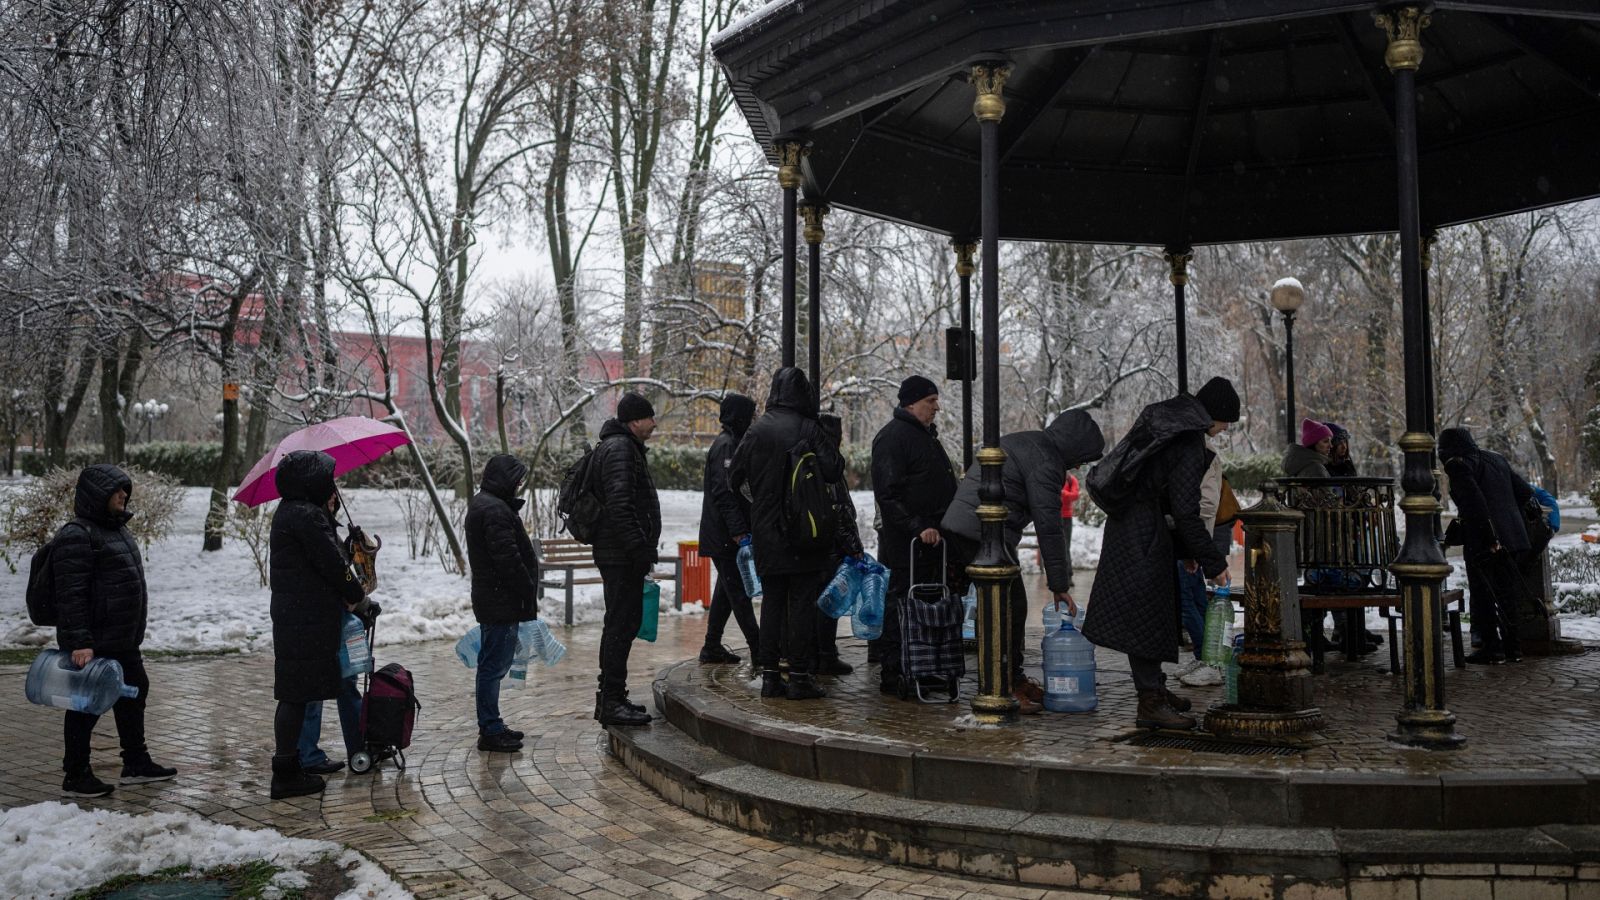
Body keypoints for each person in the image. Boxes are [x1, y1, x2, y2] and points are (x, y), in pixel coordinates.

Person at [1081, 376, 1237, 730]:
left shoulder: (1171, 428)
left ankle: (1155, 690)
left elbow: (1168, 497)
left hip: (1133, 527)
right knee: (1147, 619)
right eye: (1228, 420)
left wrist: (1185, 551)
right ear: (1216, 414)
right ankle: (1149, 703)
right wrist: (1213, 562)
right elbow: (1185, 510)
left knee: (1150, 616)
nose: (1226, 428)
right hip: (1145, 535)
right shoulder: (1186, 442)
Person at [942, 410, 1105, 713]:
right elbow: (1049, 525)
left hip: (976, 529)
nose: (1081, 465)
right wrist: (1058, 584)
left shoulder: (1032, 443)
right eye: (1083, 457)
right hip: (981, 531)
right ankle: (1004, 684)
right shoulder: (1046, 462)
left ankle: (1011, 677)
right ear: (1073, 446)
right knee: (1009, 608)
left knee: (1006, 607)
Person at [52, 464, 176, 797]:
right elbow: (70, 594)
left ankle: (136, 762)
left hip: (122, 639)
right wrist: (80, 642)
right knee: (86, 705)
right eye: (117, 491)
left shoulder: (116, 529)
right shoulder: (77, 535)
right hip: (95, 641)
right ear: (98, 495)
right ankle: (75, 774)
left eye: (125, 490)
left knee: (134, 694)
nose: (124, 495)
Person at [730, 367, 845, 700]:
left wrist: (760, 503)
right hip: (804, 531)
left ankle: (770, 677)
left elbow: (734, 478)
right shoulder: (808, 427)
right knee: (801, 605)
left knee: (772, 603)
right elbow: (834, 469)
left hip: (767, 532)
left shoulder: (756, 430)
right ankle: (799, 676)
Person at [269, 450, 369, 800]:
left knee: (296, 694)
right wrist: (360, 598)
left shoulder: (295, 512)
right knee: (297, 696)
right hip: (304, 618)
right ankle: (286, 772)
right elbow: (332, 565)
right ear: (311, 482)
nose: (332, 484)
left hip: (299, 615)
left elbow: (320, 557)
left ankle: (291, 765)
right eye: (326, 478)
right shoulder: (304, 516)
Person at [870, 375, 960, 696]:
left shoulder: (924, 436)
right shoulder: (894, 438)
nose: (937, 407)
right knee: (901, 602)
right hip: (910, 543)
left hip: (932, 542)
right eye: (930, 401)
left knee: (925, 603)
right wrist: (918, 526)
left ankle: (923, 666)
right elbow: (888, 493)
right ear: (911, 403)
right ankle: (895, 671)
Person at [590, 392, 662, 726]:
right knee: (620, 625)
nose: (654, 422)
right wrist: (639, 549)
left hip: (621, 554)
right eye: (649, 417)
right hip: (620, 556)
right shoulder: (620, 449)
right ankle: (611, 701)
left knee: (621, 624)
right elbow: (621, 506)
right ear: (634, 421)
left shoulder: (622, 446)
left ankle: (612, 697)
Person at [465, 454, 541, 752]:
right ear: (504, 480)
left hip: (496, 599)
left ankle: (493, 723)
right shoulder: (494, 510)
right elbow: (507, 559)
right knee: (492, 666)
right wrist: (526, 589)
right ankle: (491, 730)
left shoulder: (489, 505)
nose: (520, 485)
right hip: (500, 600)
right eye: (517, 480)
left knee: (494, 664)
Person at [1439, 427, 1534, 664]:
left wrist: (1491, 538)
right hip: (1514, 537)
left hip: (1485, 539)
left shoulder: (1457, 465)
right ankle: (1514, 648)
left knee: (1483, 593)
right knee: (1507, 593)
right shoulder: (1496, 459)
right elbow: (1524, 492)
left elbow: (1474, 503)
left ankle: (1493, 649)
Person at [697, 393, 760, 665]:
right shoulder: (726, 446)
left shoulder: (734, 443)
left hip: (727, 535)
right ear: (740, 417)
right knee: (738, 593)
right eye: (751, 415)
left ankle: (711, 646)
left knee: (727, 590)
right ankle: (759, 649)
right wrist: (739, 532)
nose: (754, 420)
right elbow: (724, 493)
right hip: (726, 536)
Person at [818, 412, 865, 675]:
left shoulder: (811, 460)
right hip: (831, 548)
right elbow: (840, 512)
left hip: (817, 546)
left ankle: (820, 651)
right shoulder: (830, 466)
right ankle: (825, 654)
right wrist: (853, 546)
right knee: (829, 601)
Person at [1059, 473, 1080, 581]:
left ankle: (1068, 575)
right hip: (1054, 516)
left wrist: (1062, 493)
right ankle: (1055, 576)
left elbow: (1075, 495)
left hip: (1066, 517)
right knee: (1054, 546)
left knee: (1065, 547)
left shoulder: (1071, 479)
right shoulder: (1054, 477)